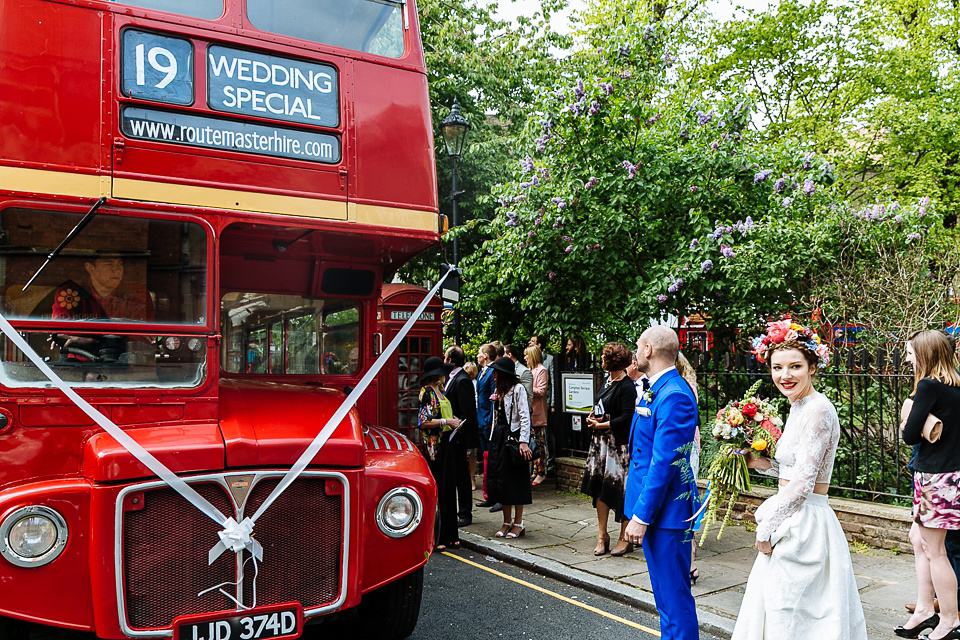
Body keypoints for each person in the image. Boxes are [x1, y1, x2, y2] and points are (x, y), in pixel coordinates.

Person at [732, 320, 866, 639]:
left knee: (794, 616)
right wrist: (756, 462)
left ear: (813, 366)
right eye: (778, 367)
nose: (785, 375)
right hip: (792, 515)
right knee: (780, 612)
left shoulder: (818, 409)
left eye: (795, 366)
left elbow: (805, 484)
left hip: (805, 524)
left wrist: (766, 529)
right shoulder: (798, 406)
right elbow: (793, 470)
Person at [623, 326, 699, 639]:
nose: (636, 352)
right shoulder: (659, 386)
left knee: (674, 601)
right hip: (659, 513)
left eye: (638, 346)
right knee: (666, 601)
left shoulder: (675, 395)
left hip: (666, 515)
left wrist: (642, 516)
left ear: (650, 350)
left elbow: (664, 462)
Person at [897, 329, 960, 640]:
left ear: (924, 354)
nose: (907, 358)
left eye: (911, 352)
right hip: (949, 475)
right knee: (918, 539)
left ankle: (949, 620)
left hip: (937, 477)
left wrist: (912, 416)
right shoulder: (956, 384)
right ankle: (925, 609)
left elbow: (909, 436)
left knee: (936, 551)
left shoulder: (928, 385)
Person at [582, 341, 637, 557]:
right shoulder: (607, 380)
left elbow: (627, 417)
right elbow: (601, 407)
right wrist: (592, 417)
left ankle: (625, 537)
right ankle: (602, 535)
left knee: (620, 492)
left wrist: (602, 424)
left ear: (612, 360)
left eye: (604, 357)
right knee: (599, 491)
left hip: (617, 446)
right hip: (600, 445)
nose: (602, 360)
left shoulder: (626, 386)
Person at [417, 356, 461, 550]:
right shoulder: (426, 393)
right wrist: (446, 422)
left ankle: (451, 535)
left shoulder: (441, 390)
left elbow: (445, 415)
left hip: (447, 444)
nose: (446, 374)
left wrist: (454, 420)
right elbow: (423, 422)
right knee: (438, 491)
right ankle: (436, 537)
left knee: (450, 490)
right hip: (434, 449)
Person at [487, 356, 533, 539]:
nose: (494, 375)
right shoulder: (500, 390)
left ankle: (518, 523)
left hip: (513, 439)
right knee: (502, 481)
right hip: (499, 438)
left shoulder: (518, 389)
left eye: (496, 372)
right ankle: (506, 522)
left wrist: (523, 441)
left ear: (504, 374)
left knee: (516, 482)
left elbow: (524, 416)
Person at [444, 345, 480, 528]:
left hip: (458, 436)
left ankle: (465, 513)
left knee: (462, 476)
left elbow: (468, 413)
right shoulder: (451, 378)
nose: (443, 360)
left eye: (445, 357)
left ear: (450, 360)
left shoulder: (462, 380)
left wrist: (465, 440)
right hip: (449, 435)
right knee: (453, 475)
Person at [676, 351, 702, 585]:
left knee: (687, 496)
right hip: (684, 447)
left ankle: (690, 555)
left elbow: (693, 421)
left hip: (688, 448)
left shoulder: (685, 388)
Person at [475, 344, 501, 511]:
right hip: (481, 420)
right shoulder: (481, 372)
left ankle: (497, 496)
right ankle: (489, 494)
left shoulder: (492, 373)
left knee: (493, 459)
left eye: (479, 353)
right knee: (485, 459)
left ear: (485, 355)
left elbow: (494, 398)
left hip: (488, 421)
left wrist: (491, 420)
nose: (477, 356)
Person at [531, 334, 556, 476]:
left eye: (533, 342)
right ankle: (537, 468)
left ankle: (549, 464)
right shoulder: (531, 366)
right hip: (534, 406)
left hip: (544, 402)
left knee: (546, 435)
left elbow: (551, 382)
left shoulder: (548, 361)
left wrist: (552, 403)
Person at [525, 345, 549, 486]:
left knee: (540, 444)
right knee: (532, 443)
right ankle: (535, 470)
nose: (525, 358)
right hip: (530, 413)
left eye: (527, 355)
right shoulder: (530, 370)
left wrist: (526, 387)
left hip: (538, 412)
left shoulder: (542, 370)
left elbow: (541, 391)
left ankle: (541, 472)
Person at [463, 360, 479, 490]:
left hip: (474, 419)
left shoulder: (476, 384)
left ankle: (472, 477)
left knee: (473, 452)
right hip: (463, 420)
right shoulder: (462, 383)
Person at [505, 344, 534, 413]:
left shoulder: (524, 371)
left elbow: (529, 396)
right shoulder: (504, 370)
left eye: (503, 354)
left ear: (509, 355)